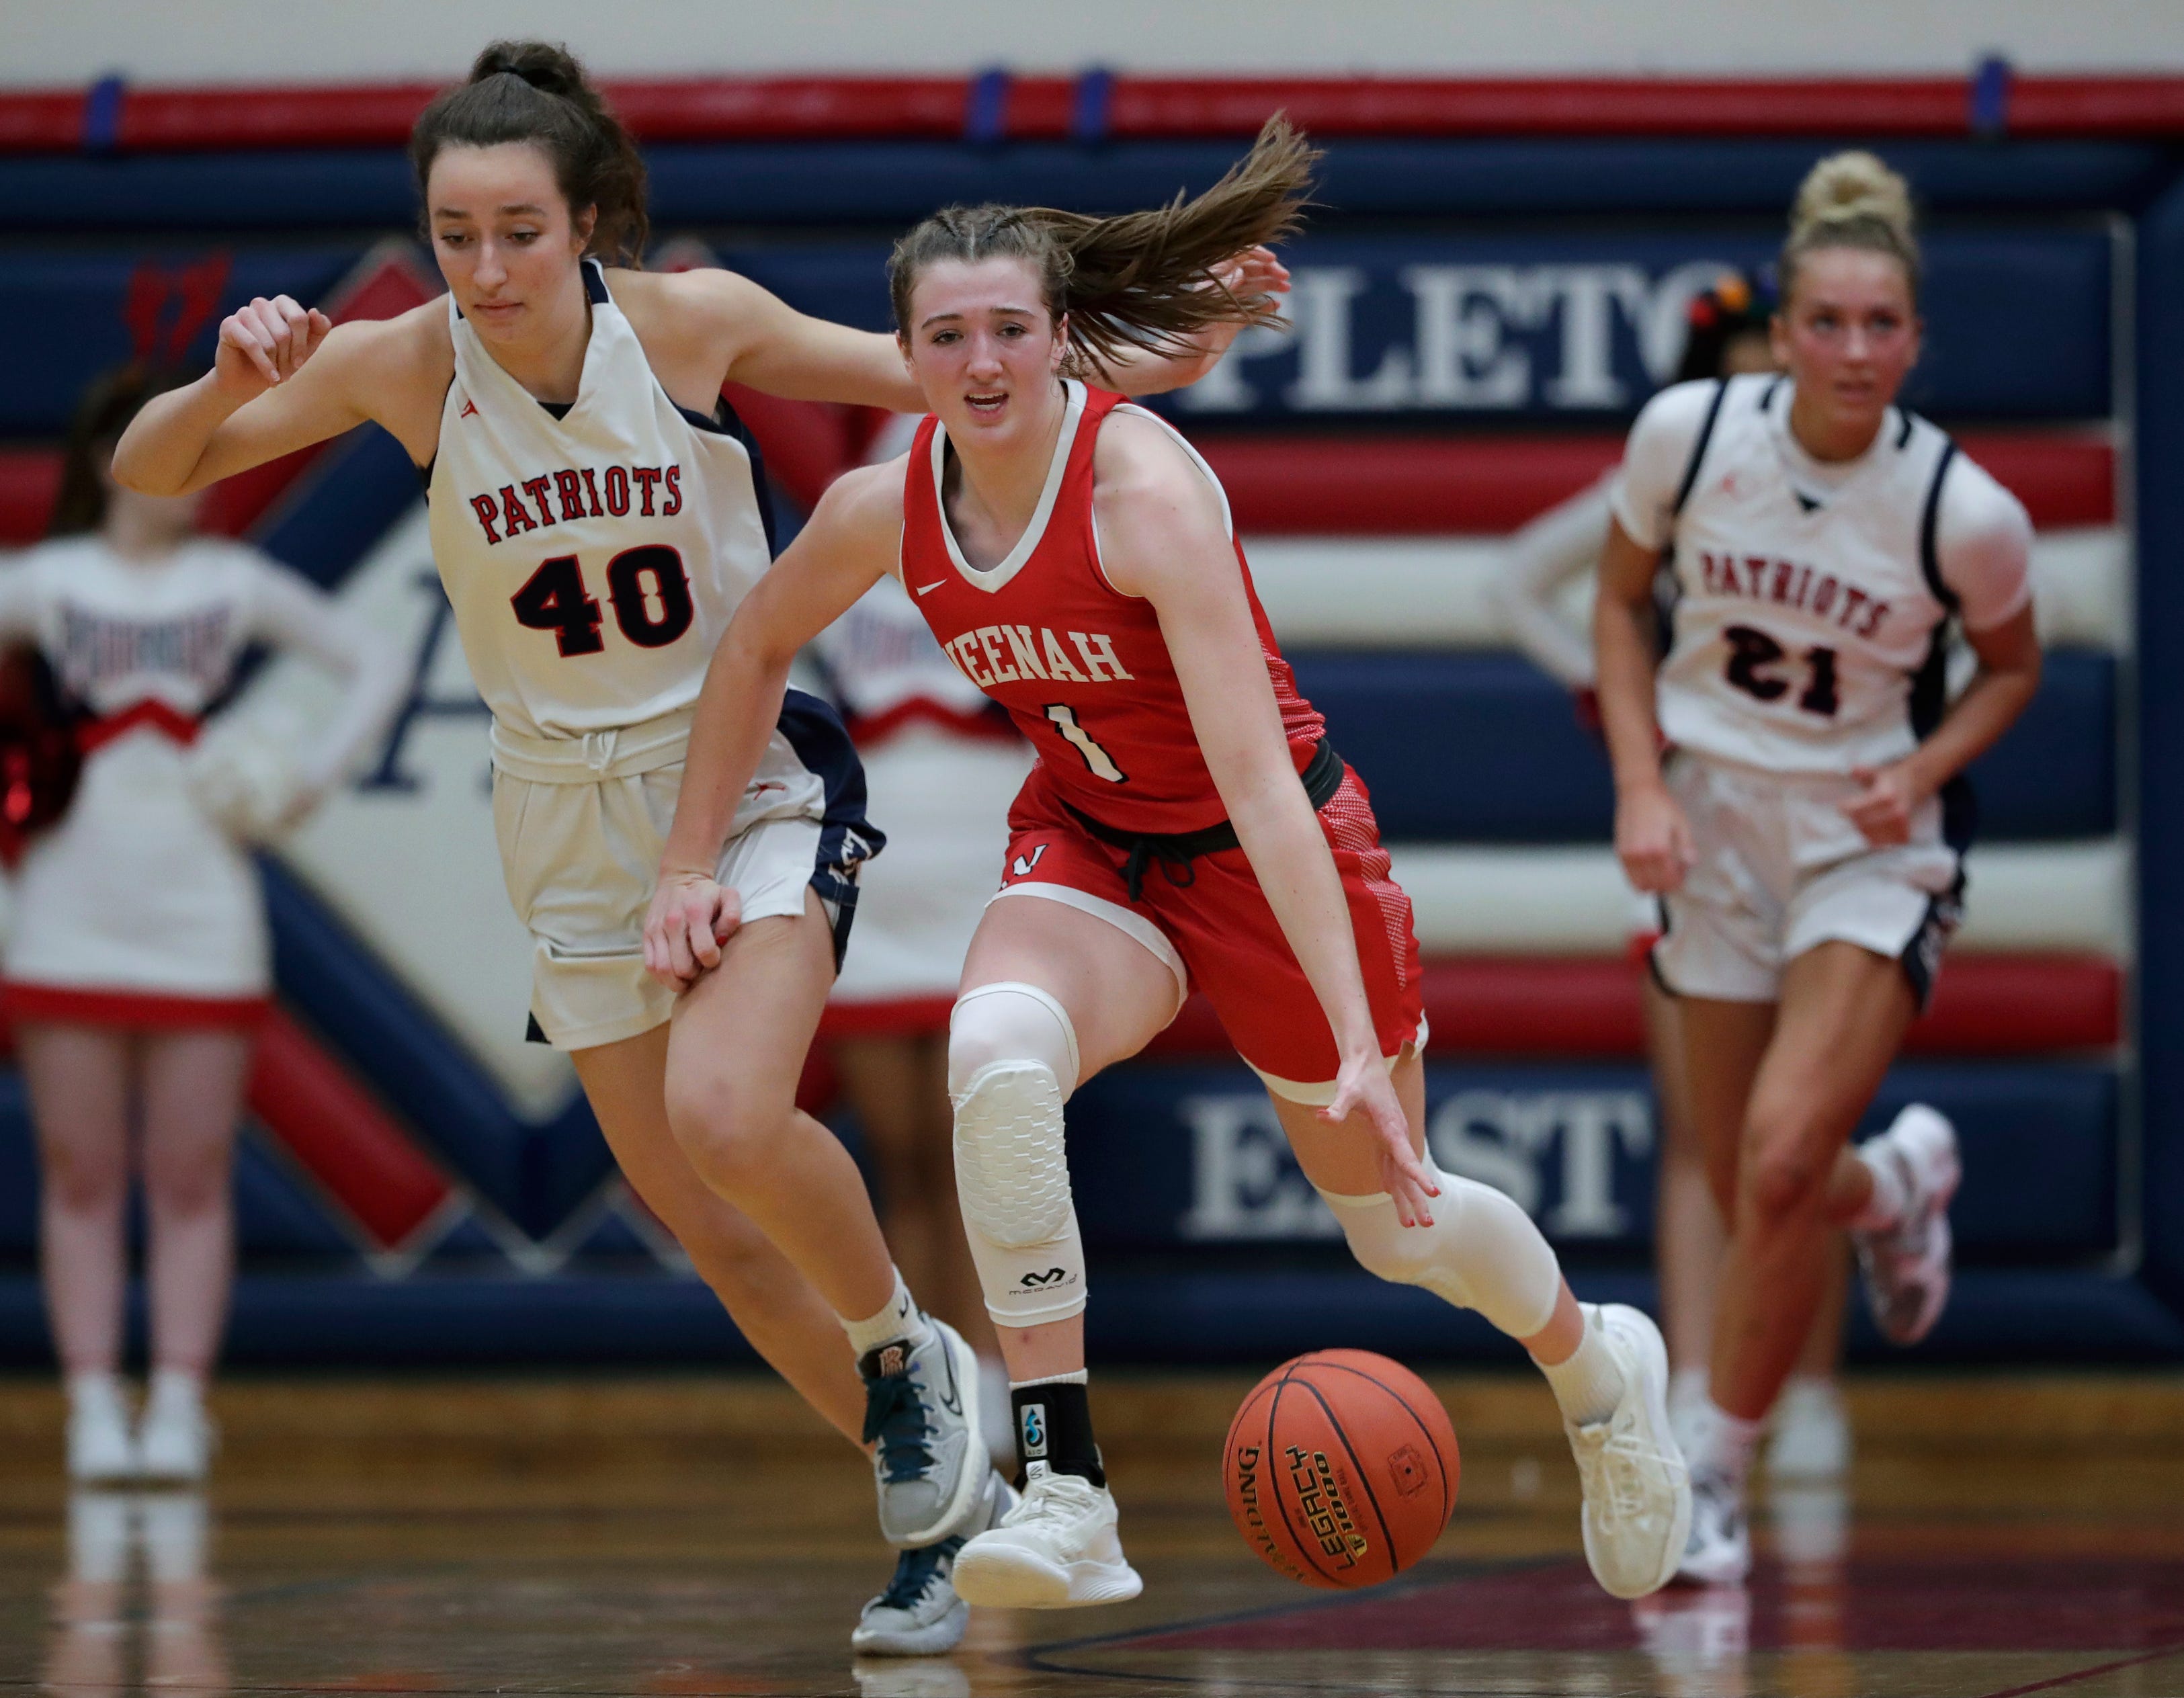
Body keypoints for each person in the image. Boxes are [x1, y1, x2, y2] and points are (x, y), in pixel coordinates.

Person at [112, 40, 1259, 1655]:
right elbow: (144, 467)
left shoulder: (692, 329)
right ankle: (947, 1518)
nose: (487, 266)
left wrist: (1165, 351)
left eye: (519, 229)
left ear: (586, 222)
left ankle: (907, 1349)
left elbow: (943, 377)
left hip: (743, 781)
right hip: (557, 813)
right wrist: (234, 379)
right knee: (713, 1228)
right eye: (455, 234)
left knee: (731, 1115)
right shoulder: (402, 366)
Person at [644, 117, 1693, 1611]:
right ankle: (1067, 1488)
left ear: (1062, 341)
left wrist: (1341, 1031)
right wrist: (690, 860)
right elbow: (750, 643)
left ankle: (1599, 1377)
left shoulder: (1144, 491)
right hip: (1091, 837)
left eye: (1012, 328)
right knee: (992, 1053)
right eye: (948, 336)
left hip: (1271, 852)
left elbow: (1260, 790)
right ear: (908, 354)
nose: (982, 362)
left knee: (1399, 1230)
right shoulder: (884, 509)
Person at [1592, 151, 2040, 1583]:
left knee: (1778, 1157)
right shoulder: (1686, 434)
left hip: (1866, 840)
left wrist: (1916, 769)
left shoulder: (1960, 511)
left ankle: (1715, 1471)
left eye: (1881, 326)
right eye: (1827, 321)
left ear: (1913, 341)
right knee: (1748, 1176)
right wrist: (1639, 783)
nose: (1853, 350)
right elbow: (1614, 601)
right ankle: (1895, 1189)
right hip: (1710, 823)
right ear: (1783, 330)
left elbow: (2012, 666)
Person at [7, 368, 405, 1484]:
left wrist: (309, 777)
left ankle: (179, 1403)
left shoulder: (234, 583)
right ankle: (93, 1405)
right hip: (66, 905)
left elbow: (373, 658)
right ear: (106, 459)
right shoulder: (49, 580)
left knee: (190, 1178)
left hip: (203, 906)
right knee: (79, 1174)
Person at [1497, 273, 1857, 1482]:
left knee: (1801, 1126)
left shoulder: (1855, 499)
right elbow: (1519, 582)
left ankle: (1807, 1393)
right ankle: (1701, 1384)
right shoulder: (1657, 491)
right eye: (1736, 376)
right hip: (1688, 842)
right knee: (1704, 1133)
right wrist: (1624, 710)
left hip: (1817, 844)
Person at [807, 447, 1038, 1467]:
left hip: (984, 890)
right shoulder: (833, 586)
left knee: (981, 1159)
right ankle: (932, 1377)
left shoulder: (1023, 573)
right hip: (872, 893)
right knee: (898, 1157)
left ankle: (1003, 1382)